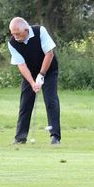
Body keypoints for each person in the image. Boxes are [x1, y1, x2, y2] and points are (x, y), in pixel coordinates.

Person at [8, 17, 61, 145]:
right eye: (13, 34)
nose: (15, 37)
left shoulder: (39, 31)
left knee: (51, 101)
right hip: (30, 73)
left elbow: (49, 54)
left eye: (18, 34)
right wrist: (32, 83)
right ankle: (20, 137)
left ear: (26, 30)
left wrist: (41, 75)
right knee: (25, 103)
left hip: (49, 70)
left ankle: (55, 137)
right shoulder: (12, 43)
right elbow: (21, 65)